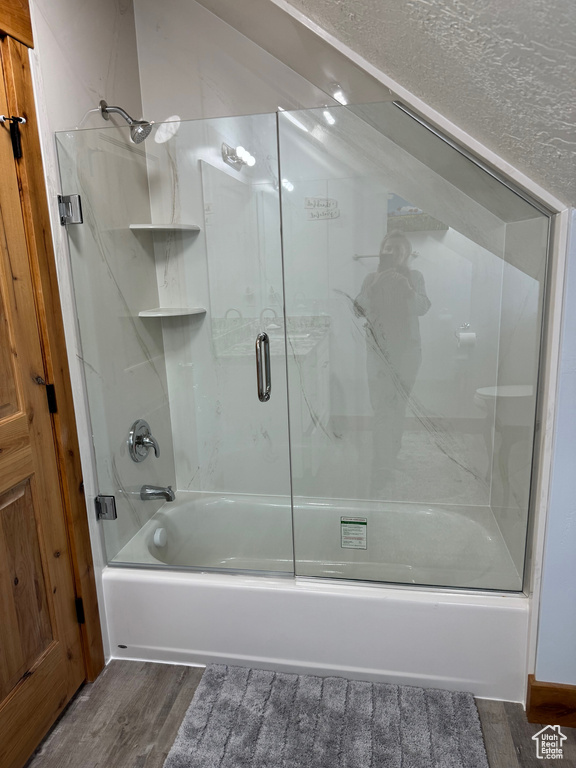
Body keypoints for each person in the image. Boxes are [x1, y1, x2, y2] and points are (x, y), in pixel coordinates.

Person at [354, 230, 431, 494]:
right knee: (380, 408)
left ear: (407, 254)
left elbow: (423, 307)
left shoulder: (415, 277)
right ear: (382, 251)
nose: (394, 253)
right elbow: (356, 310)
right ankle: (381, 464)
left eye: (400, 249)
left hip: (407, 353)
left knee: (397, 406)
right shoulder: (371, 278)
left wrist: (408, 289)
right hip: (378, 354)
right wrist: (375, 286)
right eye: (390, 248)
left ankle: (390, 457)